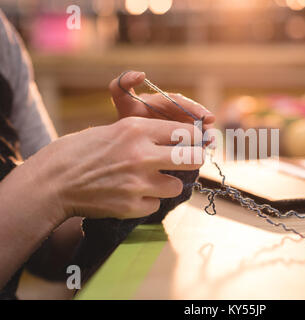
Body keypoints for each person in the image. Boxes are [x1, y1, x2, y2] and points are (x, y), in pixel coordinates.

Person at [0, 10, 214, 299]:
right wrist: (53, 182)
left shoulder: (5, 44)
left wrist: (128, 175)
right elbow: (47, 192)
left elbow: (51, 241)